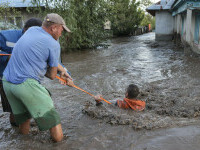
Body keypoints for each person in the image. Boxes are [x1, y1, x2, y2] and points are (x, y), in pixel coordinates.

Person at [2, 13, 73, 142]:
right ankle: (60, 144)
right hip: (25, 84)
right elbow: (51, 76)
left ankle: (25, 144)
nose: (62, 33)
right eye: (62, 29)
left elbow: (37, 54)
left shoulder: (32, 30)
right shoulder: (54, 44)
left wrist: (62, 70)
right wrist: (59, 74)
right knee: (53, 119)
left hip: (7, 83)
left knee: (24, 119)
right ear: (53, 28)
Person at [0, 18, 43, 126]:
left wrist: (64, 73)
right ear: (24, 29)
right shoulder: (6, 36)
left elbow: (54, 61)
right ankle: (16, 128)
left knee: (27, 104)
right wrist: (6, 57)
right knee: (13, 108)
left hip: (25, 77)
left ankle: (23, 126)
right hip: (5, 76)